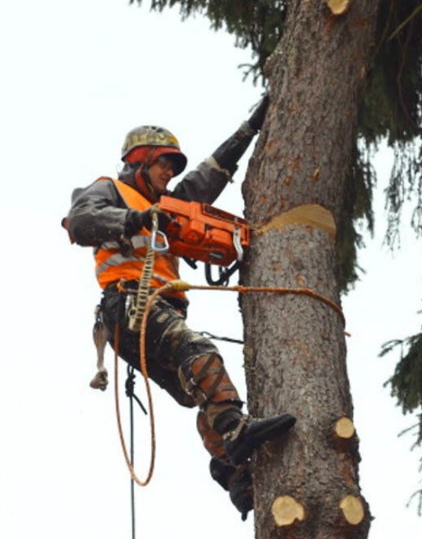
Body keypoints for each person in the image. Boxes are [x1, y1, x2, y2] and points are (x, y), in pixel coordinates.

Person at [62, 96, 296, 520]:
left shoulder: (167, 204)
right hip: (129, 304)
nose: (170, 173)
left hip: (153, 312)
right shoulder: (111, 191)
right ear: (139, 163)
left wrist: (250, 128)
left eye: (172, 166)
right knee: (200, 353)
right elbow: (79, 222)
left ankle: (234, 471)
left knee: (198, 389)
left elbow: (209, 176)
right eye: (162, 165)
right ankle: (235, 431)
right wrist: (134, 220)